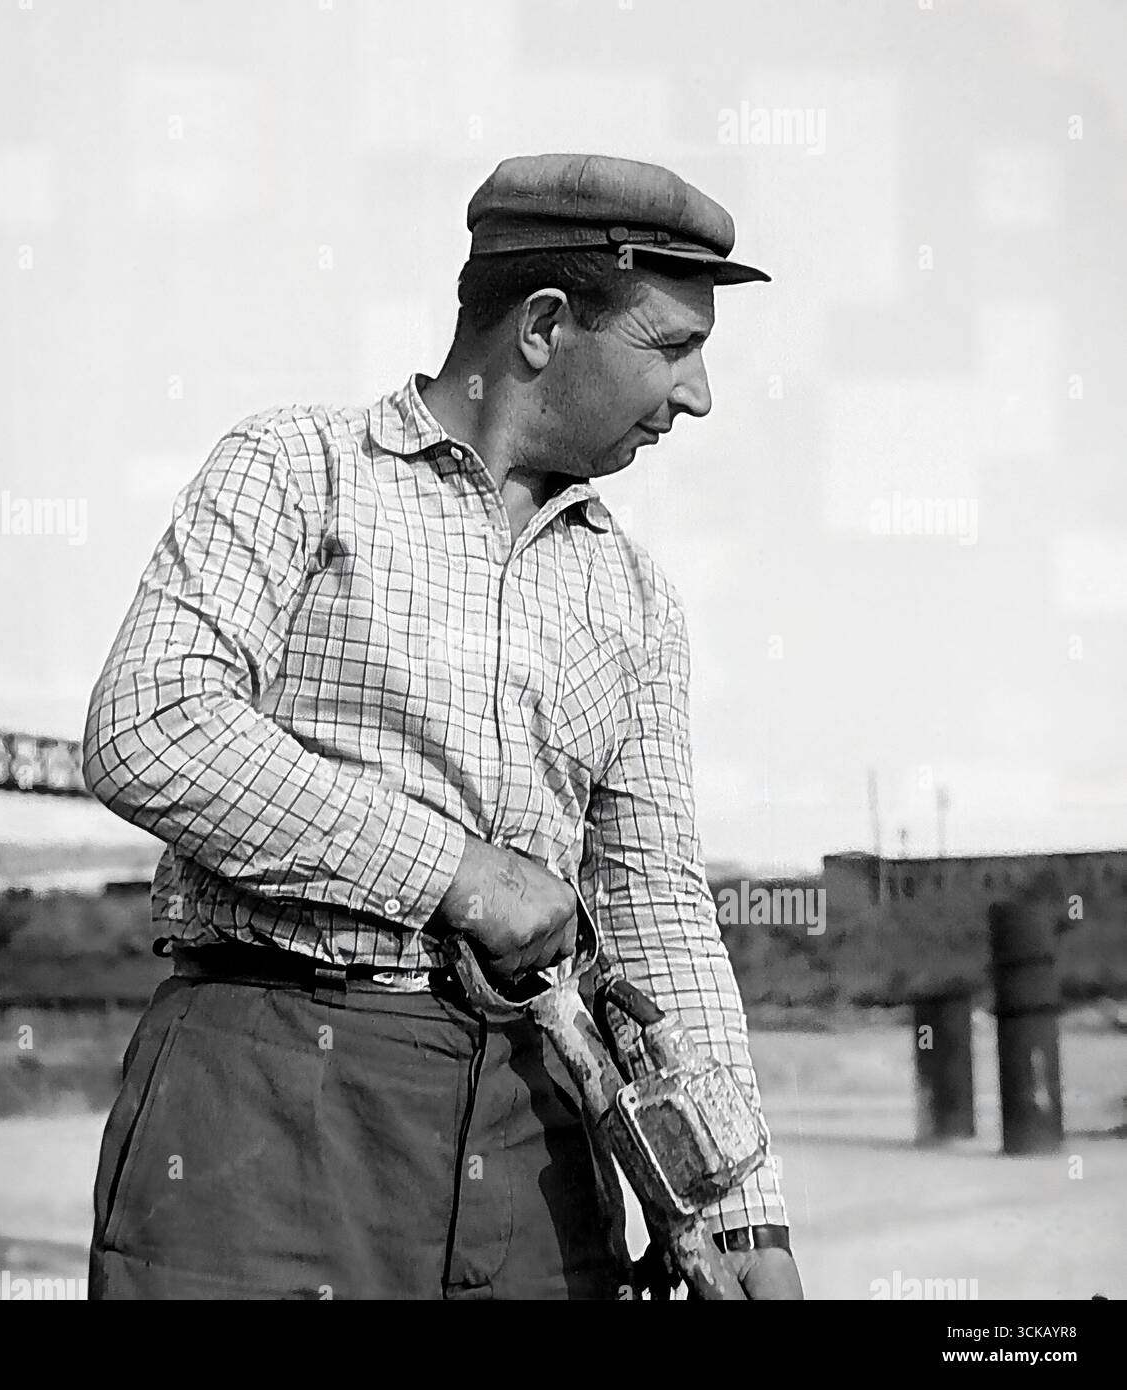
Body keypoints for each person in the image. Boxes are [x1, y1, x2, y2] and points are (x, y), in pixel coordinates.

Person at [82, 152, 802, 1300]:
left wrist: (742, 1221)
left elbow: (658, 903)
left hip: (538, 1140)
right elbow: (149, 726)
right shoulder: (293, 471)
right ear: (544, 326)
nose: (698, 395)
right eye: (671, 348)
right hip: (261, 1117)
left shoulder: (636, 597)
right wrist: (459, 874)